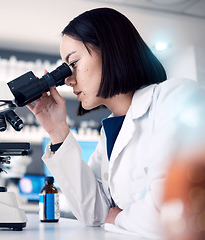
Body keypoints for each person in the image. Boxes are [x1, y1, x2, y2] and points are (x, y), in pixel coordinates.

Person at [27, 7, 205, 239]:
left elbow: (171, 209)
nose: (68, 80)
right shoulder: (112, 131)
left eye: (73, 63)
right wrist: (57, 130)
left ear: (109, 50)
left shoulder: (175, 97)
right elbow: (93, 214)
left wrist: (117, 218)